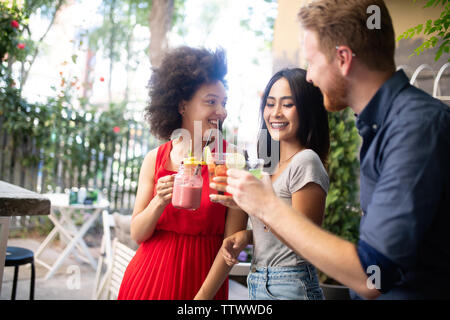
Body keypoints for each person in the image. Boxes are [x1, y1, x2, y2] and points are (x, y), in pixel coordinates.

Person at [224, 0, 450, 300]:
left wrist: (264, 205)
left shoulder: (415, 126)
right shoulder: (379, 126)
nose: (309, 77)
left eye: (312, 62)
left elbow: (372, 275)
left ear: (342, 59)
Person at [117, 46, 248, 300]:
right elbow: (138, 234)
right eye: (211, 101)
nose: (221, 111)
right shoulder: (154, 159)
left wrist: (200, 300)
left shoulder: (232, 160)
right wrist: (159, 200)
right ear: (182, 105)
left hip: (203, 286)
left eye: (223, 103)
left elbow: (231, 244)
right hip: (147, 281)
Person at [210, 68, 330, 300]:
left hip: (291, 285)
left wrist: (256, 206)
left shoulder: (306, 160)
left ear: (306, 110)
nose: (275, 113)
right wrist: (247, 237)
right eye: (270, 103)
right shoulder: (268, 166)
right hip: (259, 282)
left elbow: (304, 241)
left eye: (287, 105)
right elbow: (278, 232)